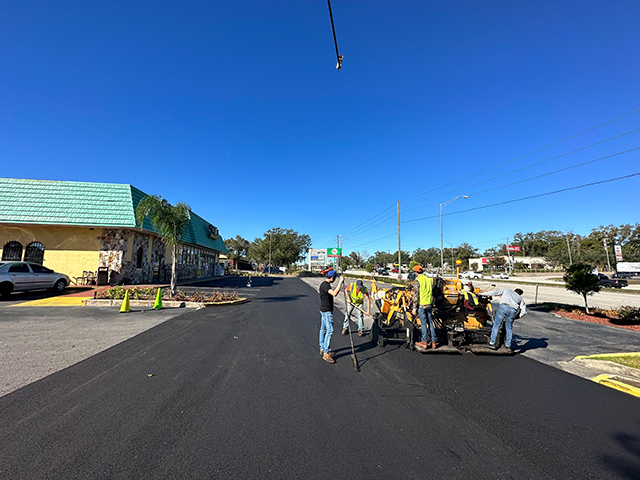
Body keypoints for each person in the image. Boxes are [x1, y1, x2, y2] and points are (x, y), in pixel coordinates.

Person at [480, 287, 526, 352]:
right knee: (509, 328)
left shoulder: (507, 290)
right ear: (520, 294)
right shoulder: (520, 298)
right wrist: (516, 317)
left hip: (504, 307)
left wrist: (482, 294)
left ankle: (492, 343)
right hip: (513, 310)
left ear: (514, 290)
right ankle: (508, 346)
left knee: (496, 325)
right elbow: (524, 311)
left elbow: (495, 292)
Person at [318, 269, 344, 364]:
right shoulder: (325, 285)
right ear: (332, 278)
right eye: (335, 278)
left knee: (323, 329)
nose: (335, 280)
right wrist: (340, 283)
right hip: (327, 311)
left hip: (324, 310)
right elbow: (334, 294)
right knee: (330, 330)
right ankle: (326, 352)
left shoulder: (325, 284)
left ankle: (322, 348)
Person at [411, 265, 437, 349]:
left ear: (416, 272)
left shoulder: (417, 281)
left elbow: (416, 295)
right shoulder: (428, 280)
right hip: (429, 304)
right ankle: (433, 342)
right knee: (430, 322)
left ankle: (424, 341)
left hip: (421, 305)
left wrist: (414, 308)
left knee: (423, 323)